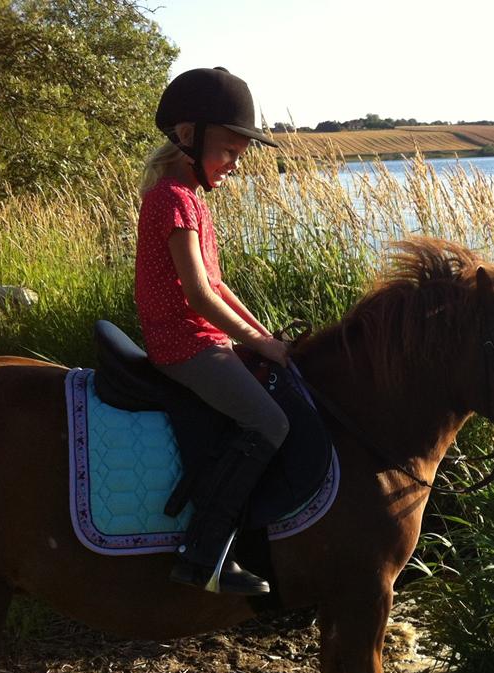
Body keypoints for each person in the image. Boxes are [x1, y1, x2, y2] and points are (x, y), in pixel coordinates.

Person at [135, 67, 290, 595]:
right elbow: (198, 297)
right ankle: (205, 556)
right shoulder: (174, 198)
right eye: (228, 151)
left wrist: (263, 336)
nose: (232, 165)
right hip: (183, 342)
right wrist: (260, 344)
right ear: (187, 136)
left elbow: (218, 287)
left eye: (238, 156)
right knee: (270, 423)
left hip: (203, 336)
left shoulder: (191, 196)